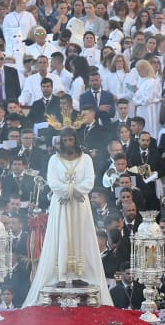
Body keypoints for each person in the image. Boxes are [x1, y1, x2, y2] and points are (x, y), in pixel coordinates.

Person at [23, 127, 114, 306]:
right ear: (61, 141)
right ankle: (61, 275)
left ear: (76, 140)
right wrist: (70, 190)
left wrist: (74, 190)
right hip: (62, 204)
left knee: (81, 237)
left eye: (71, 139)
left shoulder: (86, 158)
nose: (68, 143)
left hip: (80, 205)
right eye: (65, 140)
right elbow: (53, 181)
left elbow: (89, 180)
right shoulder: (54, 159)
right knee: (61, 237)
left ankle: (80, 274)